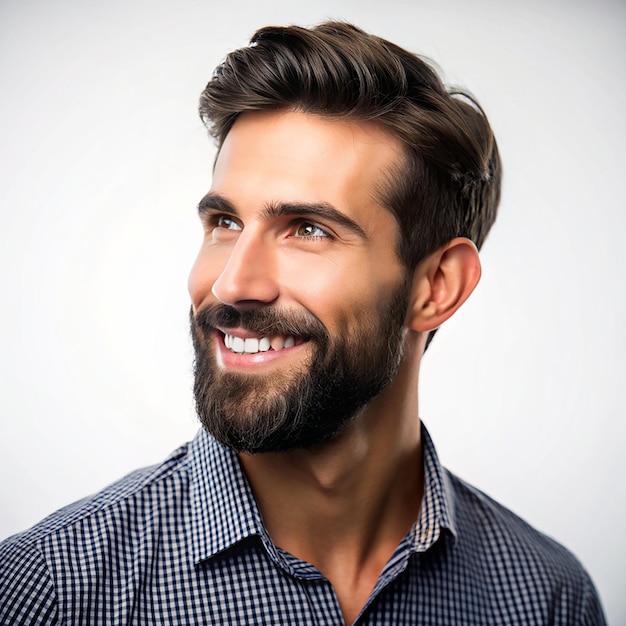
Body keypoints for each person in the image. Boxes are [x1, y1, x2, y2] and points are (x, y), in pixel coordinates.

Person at [0, 21, 606, 626]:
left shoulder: (546, 597)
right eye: (225, 223)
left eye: (308, 230)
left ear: (437, 287)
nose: (233, 283)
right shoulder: (50, 591)